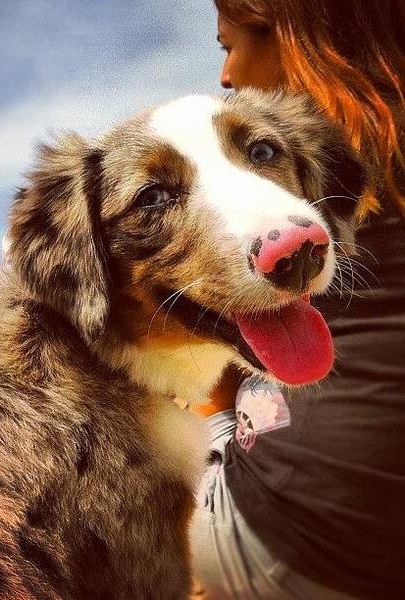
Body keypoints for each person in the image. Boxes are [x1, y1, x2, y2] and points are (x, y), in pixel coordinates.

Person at [190, 1, 405, 598]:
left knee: (208, 346)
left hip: (291, 548)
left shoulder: (326, 171)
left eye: (228, 44)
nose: (227, 76)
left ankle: (217, 450)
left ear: (297, 38)